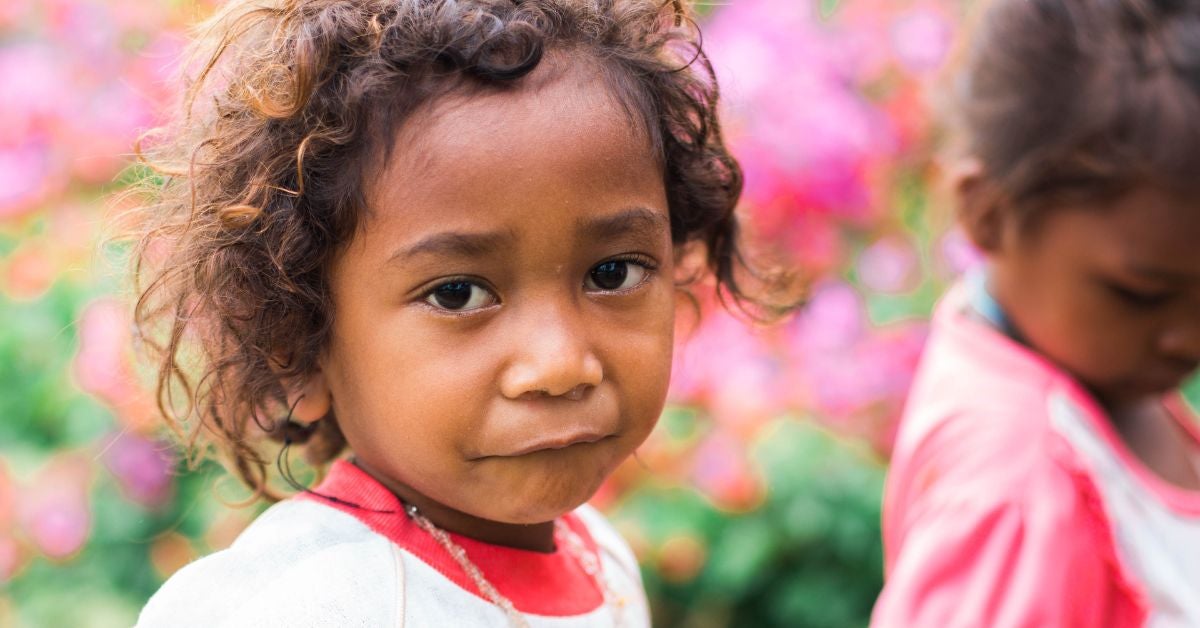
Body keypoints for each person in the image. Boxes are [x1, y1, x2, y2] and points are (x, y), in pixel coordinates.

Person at [129, 0, 790, 625]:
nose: (558, 364)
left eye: (611, 273)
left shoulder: (600, 555)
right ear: (296, 344)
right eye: (458, 294)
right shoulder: (313, 604)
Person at [872, 0, 1200, 625]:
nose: (1189, 338)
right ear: (989, 215)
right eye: (1142, 295)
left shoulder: (1105, 366)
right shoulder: (1017, 490)